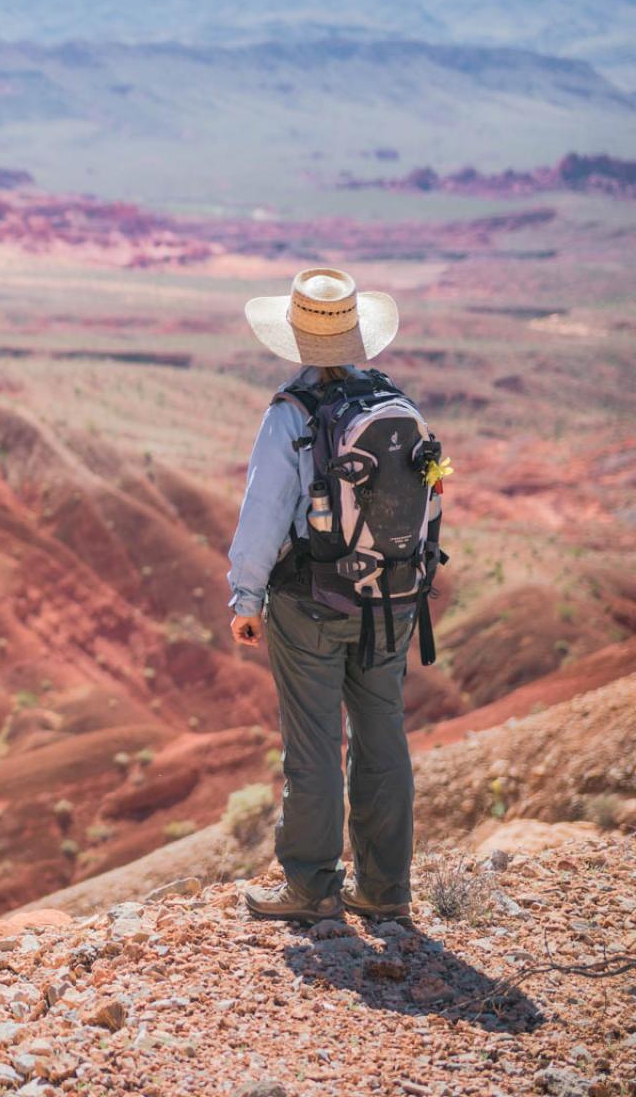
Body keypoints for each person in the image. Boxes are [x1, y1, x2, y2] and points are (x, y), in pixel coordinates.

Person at [227, 267, 416, 924]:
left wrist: (244, 599)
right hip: (392, 599)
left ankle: (310, 887)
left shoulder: (294, 415)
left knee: (313, 745)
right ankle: (386, 888)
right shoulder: (393, 403)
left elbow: (263, 516)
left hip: (312, 604)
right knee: (382, 734)